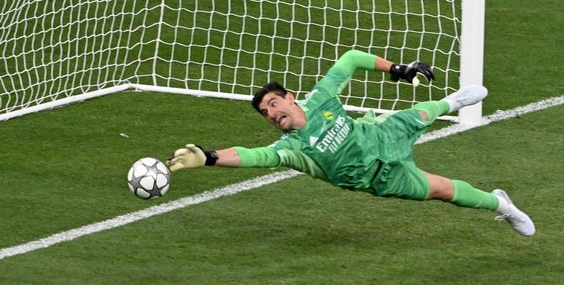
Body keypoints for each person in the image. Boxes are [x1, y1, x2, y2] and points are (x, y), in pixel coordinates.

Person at [166, 49, 535, 237]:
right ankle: (501, 204)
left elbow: (352, 58)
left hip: (380, 135)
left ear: (290, 98)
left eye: (274, 103)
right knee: (441, 190)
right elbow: (252, 155)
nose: (271, 112)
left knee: (420, 113)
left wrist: (398, 69)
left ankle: (454, 100)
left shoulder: (322, 97)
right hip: (381, 179)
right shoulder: (291, 149)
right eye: (265, 112)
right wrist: (209, 157)